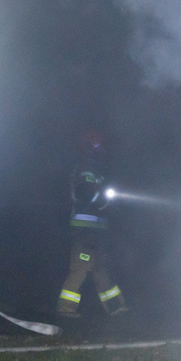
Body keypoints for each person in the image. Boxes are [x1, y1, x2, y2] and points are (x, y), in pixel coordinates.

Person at [56, 130, 129, 318]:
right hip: (84, 231)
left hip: (95, 231)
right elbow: (86, 193)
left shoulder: (96, 171)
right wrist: (105, 199)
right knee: (80, 268)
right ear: (89, 148)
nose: (101, 150)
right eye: (98, 146)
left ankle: (116, 308)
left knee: (101, 269)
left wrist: (108, 203)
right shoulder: (86, 169)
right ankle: (65, 309)